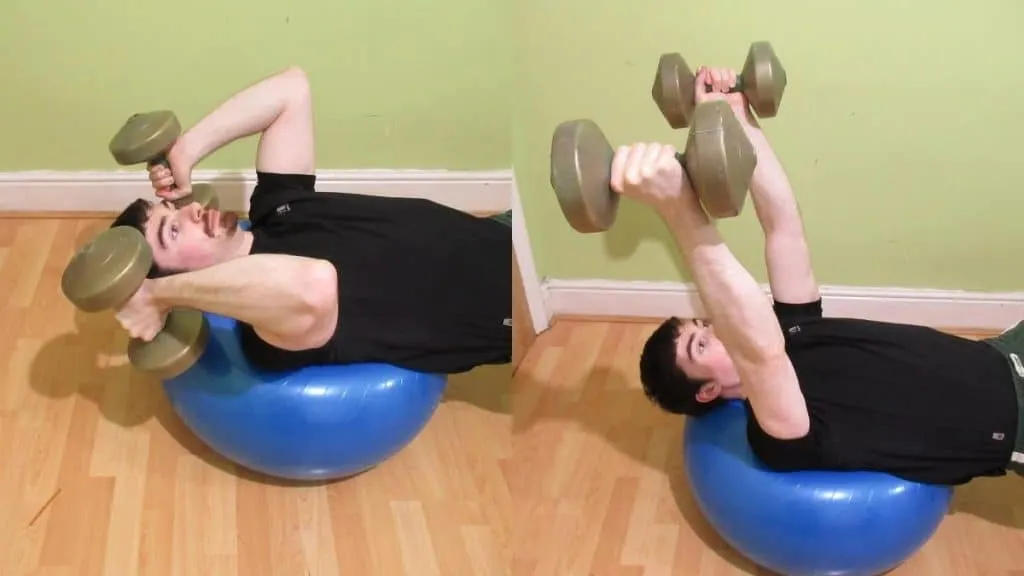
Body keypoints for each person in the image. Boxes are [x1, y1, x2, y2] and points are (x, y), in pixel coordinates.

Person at [616, 65, 1023, 486]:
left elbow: (784, 227)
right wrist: (677, 207)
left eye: (703, 325)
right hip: (1015, 418)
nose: (716, 329)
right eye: (700, 345)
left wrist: (738, 118)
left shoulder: (795, 329)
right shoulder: (777, 431)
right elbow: (760, 352)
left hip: (1004, 350)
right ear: (707, 391)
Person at [110, 66, 511, 375]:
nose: (193, 209)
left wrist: (186, 151)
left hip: (503, 231)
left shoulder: (277, 207)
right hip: (513, 302)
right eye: (174, 230)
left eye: (177, 208)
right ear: (174, 278)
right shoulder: (267, 331)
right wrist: (155, 296)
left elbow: (291, 89)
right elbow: (314, 285)